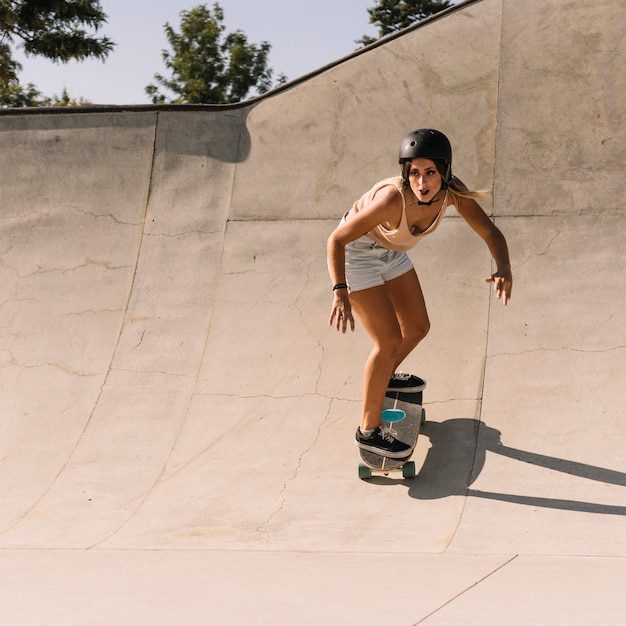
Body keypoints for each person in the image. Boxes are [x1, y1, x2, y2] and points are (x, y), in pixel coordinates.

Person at [327, 128, 512, 458]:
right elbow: (337, 240)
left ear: (445, 172)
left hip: (392, 252)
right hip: (356, 254)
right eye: (414, 173)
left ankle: (384, 377)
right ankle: (368, 432)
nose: (422, 183)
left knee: (417, 328)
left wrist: (504, 269)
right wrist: (340, 290)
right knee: (387, 341)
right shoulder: (390, 200)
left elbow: (490, 232)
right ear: (405, 173)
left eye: (430, 173)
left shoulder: (452, 195)